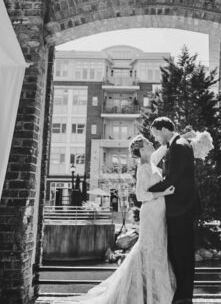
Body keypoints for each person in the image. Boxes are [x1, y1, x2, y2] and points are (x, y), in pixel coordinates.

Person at [68, 134, 176, 303]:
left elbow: (162, 150)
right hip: (151, 214)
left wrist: (177, 138)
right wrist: (164, 192)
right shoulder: (143, 168)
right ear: (141, 149)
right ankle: (146, 295)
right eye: (148, 143)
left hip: (159, 213)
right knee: (149, 250)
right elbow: (141, 195)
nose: (151, 143)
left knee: (158, 249)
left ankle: (155, 293)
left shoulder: (151, 162)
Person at [148, 117, 201, 304]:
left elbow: (174, 177)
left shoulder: (178, 146)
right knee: (179, 251)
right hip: (181, 206)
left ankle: (184, 296)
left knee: (181, 252)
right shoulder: (179, 144)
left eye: (155, 134)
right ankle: (182, 294)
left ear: (163, 129)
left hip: (181, 207)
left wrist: (149, 190)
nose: (156, 139)